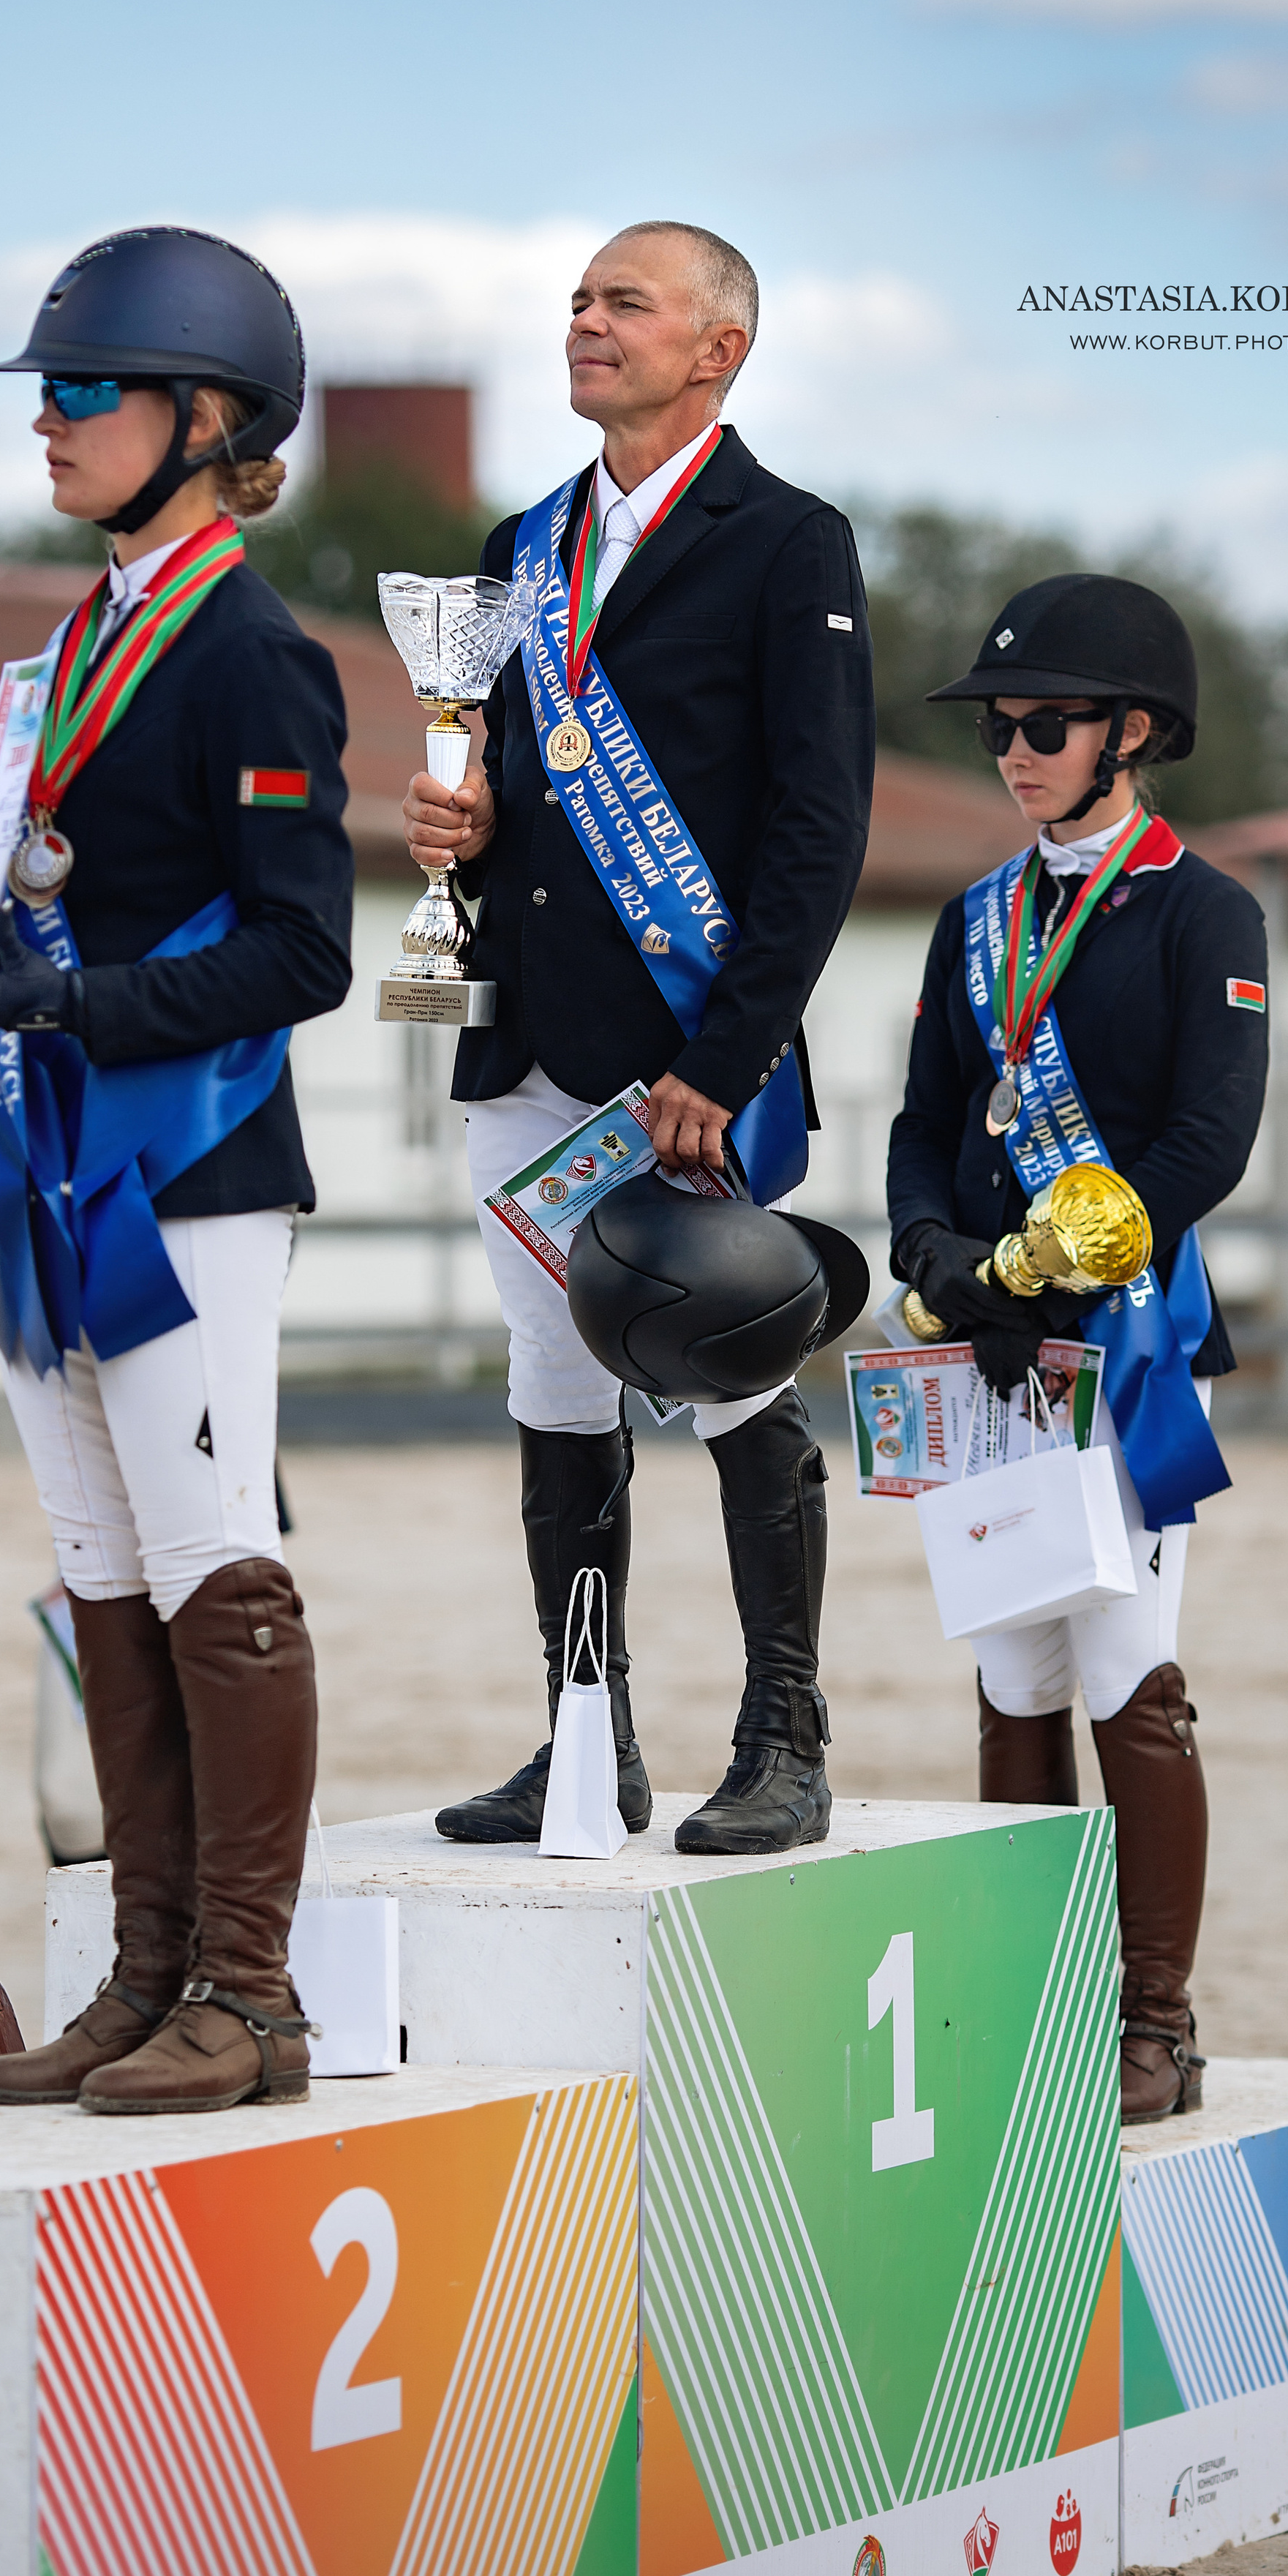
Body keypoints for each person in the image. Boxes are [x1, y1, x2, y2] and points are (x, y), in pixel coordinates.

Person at [0, 227, 355, 2112]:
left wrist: (88, 997)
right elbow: (11, 909)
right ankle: (143, 1970)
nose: (52, 422)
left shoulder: (254, 656)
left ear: (205, 421)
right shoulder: (74, 647)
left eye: (83, 391)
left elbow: (303, 953)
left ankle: (253, 1997)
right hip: (40, 1165)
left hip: (180, 1175)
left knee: (210, 1570)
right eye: (46, 391)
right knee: (100, 1576)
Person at [401, 222, 875, 1854]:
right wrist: (452, 828)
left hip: (685, 1056)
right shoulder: (519, 542)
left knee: (725, 1375)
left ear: (717, 346)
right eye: (578, 302)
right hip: (527, 1037)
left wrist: (729, 1060)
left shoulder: (786, 542)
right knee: (551, 1378)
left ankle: (785, 1736)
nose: (585, 324)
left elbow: (817, 829)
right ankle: (582, 1735)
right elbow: (512, 782)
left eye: (625, 304)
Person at [886, 574, 1268, 2119]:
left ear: (1131, 733)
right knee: (1008, 1672)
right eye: (999, 728)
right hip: (982, 1352)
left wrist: (1061, 1259)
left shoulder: (1202, 911)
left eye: (1041, 725)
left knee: (1128, 1675)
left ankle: (1152, 2022)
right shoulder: (973, 921)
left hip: (1116, 1346)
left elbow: (1205, 1142)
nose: (1012, 751)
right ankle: (1041, 2007)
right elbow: (924, 1122)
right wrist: (932, 1256)